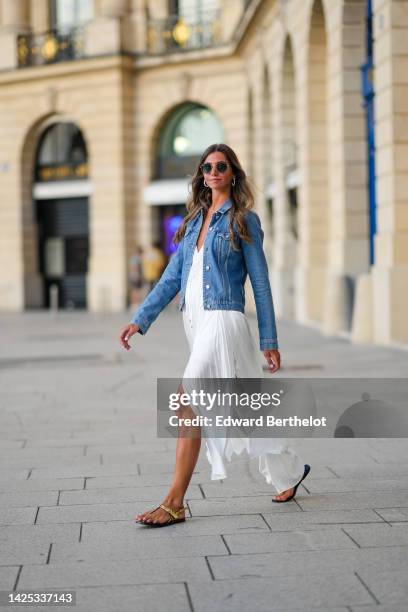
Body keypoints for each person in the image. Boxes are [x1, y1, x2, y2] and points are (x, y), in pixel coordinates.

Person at [119, 143, 310, 527]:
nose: (214, 171)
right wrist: (141, 319)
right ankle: (289, 471)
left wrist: (269, 339)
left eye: (221, 166)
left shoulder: (244, 219)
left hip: (224, 320)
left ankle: (174, 502)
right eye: (207, 167)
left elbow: (260, 282)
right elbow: (173, 277)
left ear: (232, 173)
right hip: (196, 323)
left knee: (186, 399)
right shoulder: (193, 223)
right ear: (201, 175)